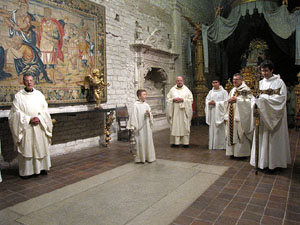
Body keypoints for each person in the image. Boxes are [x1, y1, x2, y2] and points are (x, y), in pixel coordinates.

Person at [8, 73, 53, 179]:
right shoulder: (19, 96)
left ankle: (41, 169)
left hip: (39, 126)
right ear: (23, 82)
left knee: (40, 147)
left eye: (31, 80)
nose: (29, 82)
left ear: (34, 82)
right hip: (26, 128)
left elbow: (45, 110)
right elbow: (14, 113)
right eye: (27, 80)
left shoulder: (39, 95)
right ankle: (27, 172)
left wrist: (40, 118)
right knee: (28, 148)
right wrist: (28, 119)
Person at [250, 60, 291, 170]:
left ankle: (275, 163)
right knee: (263, 137)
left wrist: (264, 100)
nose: (264, 73)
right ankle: (262, 162)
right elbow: (256, 96)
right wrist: (255, 101)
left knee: (274, 138)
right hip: (263, 116)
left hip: (274, 116)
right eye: (262, 71)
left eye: (266, 71)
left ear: (272, 70)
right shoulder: (260, 83)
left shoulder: (279, 82)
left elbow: (281, 99)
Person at [224, 73, 255, 157]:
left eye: (236, 79)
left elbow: (250, 102)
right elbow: (228, 100)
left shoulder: (246, 90)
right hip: (231, 116)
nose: (234, 81)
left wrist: (237, 100)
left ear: (241, 80)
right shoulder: (233, 90)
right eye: (233, 79)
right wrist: (229, 100)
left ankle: (241, 153)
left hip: (240, 116)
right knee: (231, 133)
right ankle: (232, 152)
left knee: (240, 133)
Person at [127, 89, 156, 163]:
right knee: (140, 143)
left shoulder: (146, 105)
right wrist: (133, 127)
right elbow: (133, 117)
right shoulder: (135, 106)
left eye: (146, 94)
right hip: (140, 129)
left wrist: (149, 114)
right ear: (139, 96)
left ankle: (149, 157)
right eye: (144, 94)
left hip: (147, 128)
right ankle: (141, 158)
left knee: (148, 142)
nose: (145, 96)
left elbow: (150, 115)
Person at [166, 76, 193, 148]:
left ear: (183, 81)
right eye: (178, 80)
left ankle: (185, 143)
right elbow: (168, 99)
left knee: (184, 126)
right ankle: (175, 142)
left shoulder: (187, 90)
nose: (179, 82)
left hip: (184, 111)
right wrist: (173, 100)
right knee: (176, 126)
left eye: (180, 80)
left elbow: (190, 100)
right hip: (175, 112)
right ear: (176, 82)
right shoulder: (172, 90)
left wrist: (183, 100)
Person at [205, 79, 228, 150]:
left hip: (220, 113)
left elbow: (226, 102)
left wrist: (217, 103)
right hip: (212, 112)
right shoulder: (210, 92)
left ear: (219, 83)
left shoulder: (224, 92)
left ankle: (221, 145)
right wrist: (209, 102)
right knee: (213, 128)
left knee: (220, 129)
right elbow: (207, 99)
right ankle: (213, 145)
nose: (214, 84)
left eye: (216, 82)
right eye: (213, 82)